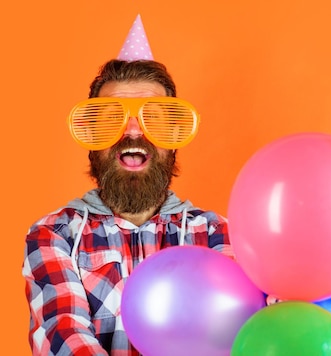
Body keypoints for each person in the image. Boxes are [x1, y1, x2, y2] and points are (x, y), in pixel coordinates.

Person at [22, 59, 232, 356]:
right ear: (92, 138)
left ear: (173, 138)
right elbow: (65, 335)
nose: (133, 131)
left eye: (154, 119)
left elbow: (239, 331)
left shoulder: (218, 235)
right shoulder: (55, 235)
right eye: (110, 118)